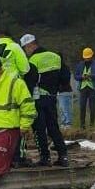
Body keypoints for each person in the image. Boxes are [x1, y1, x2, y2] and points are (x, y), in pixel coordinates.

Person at [21, 34, 69, 167]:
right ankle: (63, 156)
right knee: (54, 127)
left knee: (39, 128)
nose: (26, 51)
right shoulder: (56, 57)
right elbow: (65, 77)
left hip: (38, 99)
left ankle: (45, 157)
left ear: (30, 45)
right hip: (52, 97)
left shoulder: (33, 61)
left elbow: (29, 82)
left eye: (25, 48)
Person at [74, 48, 95, 129]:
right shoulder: (80, 64)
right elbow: (76, 76)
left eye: (88, 58)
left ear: (92, 56)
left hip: (93, 87)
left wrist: (92, 76)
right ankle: (82, 125)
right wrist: (82, 77)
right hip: (83, 87)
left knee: (92, 106)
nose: (87, 59)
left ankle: (92, 125)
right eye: (85, 58)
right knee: (82, 106)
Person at [56, 54, 73, 127]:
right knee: (61, 109)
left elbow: (65, 80)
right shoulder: (57, 68)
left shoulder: (64, 68)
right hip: (59, 91)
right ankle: (63, 123)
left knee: (65, 108)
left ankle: (67, 123)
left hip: (65, 91)